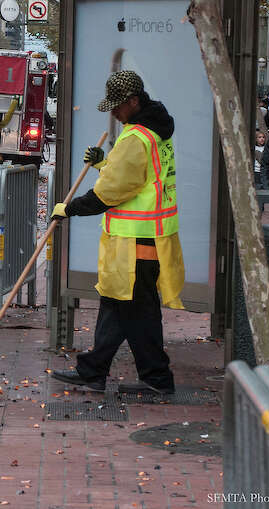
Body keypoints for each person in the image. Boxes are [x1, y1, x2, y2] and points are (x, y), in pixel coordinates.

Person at [49, 70, 184, 395]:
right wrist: (104, 164)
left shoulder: (137, 137)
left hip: (136, 243)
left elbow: (111, 193)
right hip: (146, 238)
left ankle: (156, 379)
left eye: (117, 106)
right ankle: (94, 370)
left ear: (134, 102)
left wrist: (69, 209)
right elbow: (135, 177)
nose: (113, 112)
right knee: (117, 306)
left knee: (137, 313)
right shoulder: (154, 132)